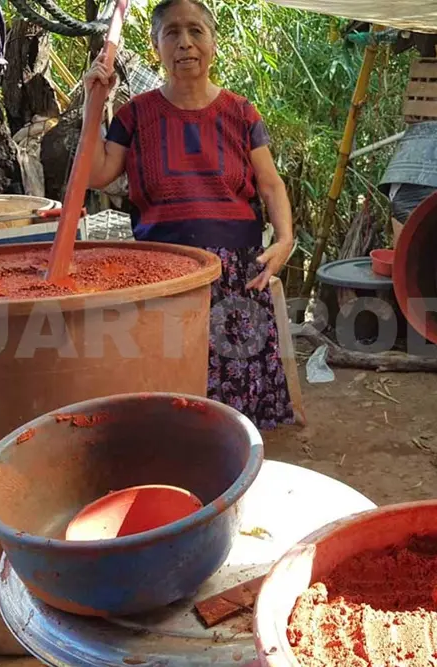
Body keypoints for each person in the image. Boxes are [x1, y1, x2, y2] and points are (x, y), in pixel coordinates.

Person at [83, 0, 295, 430]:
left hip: (235, 271)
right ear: (155, 46)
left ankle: (238, 455)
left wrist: (285, 240)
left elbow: (271, 184)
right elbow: (96, 174)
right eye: (172, 33)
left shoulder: (241, 112)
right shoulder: (134, 115)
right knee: (175, 393)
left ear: (213, 43)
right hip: (164, 274)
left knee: (236, 402)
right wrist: (93, 104)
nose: (185, 43)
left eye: (196, 31)